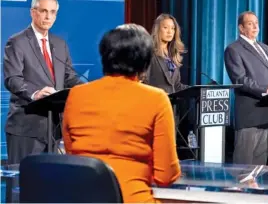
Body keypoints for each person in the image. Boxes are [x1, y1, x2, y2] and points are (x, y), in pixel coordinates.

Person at [62, 24, 181, 203]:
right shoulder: (157, 99)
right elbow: (166, 175)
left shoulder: (76, 94)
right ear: (144, 61)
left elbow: (73, 156)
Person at [3, 0, 83, 164]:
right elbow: (12, 78)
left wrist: (89, 90)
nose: (48, 16)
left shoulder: (59, 44)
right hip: (26, 127)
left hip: (54, 129)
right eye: (44, 11)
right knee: (22, 184)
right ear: (33, 12)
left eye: (53, 12)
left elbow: (69, 77)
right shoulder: (17, 42)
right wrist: (35, 94)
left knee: (48, 186)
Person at [224, 11, 268, 166]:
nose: (255, 27)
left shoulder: (265, 48)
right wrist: (267, 89)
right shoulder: (233, 49)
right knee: (244, 165)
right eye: (250, 23)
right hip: (250, 113)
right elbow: (240, 79)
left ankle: (254, 190)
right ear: (241, 28)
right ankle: (238, 190)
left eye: (256, 23)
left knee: (259, 165)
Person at [142, 13, 188, 94]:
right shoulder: (149, 53)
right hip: (155, 104)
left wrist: (197, 90)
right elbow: (144, 83)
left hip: (171, 105)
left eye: (173, 28)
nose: (170, 32)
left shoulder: (174, 55)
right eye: (165, 28)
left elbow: (176, 86)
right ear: (157, 29)